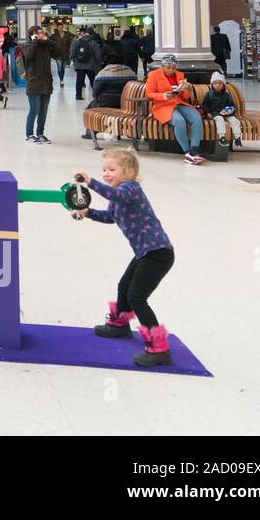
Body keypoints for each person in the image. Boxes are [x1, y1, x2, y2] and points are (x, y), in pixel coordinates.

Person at [70, 148, 175, 367]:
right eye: (104, 169)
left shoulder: (130, 188)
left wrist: (90, 182)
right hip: (145, 252)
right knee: (124, 286)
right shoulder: (118, 194)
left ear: (127, 172)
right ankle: (119, 325)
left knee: (137, 297)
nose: (106, 173)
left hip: (158, 253)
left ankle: (159, 349)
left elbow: (115, 195)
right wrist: (86, 212)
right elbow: (110, 217)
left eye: (111, 169)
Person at [144, 54, 205, 165]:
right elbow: (149, 93)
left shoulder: (180, 75)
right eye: (168, 67)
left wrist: (188, 89)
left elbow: (184, 97)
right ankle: (187, 152)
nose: (171, 70)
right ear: (162, 66)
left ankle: (194, 149)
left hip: (178, 103)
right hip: (162, 106)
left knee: (196, 118)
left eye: (173, 67)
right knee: (179, 121)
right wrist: (163, 96)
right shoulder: (153, 75)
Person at [20, 25, 63, 143]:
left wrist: (48, 41)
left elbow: (59, 53)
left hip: (46, 83)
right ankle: (29, 134)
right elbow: (28, 56)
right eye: (38, 33)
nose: (40, 35)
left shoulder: (46, 46)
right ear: (32, 35)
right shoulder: (28, 45)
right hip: (34, 83)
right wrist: (34, 42)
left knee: (43, 111)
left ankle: (40, 133)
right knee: (34, 109)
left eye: (41, 33)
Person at [83, 60, 138, 139]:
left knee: (90, 107)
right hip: (125, 105)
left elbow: (95, 93)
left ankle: (90, 132)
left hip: (105, 103)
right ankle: (128, 130)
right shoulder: (131, 73)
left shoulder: (103, 73)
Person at [200, 71, 242, 150]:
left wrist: (231, 109)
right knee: (220, 120)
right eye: (215, 83)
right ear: (212, 84)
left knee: (234, 120)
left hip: (227, 113)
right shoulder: (209, 94)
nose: (217, 85)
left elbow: (232, 105)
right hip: (215, 113)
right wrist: (208, 112)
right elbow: (205, 105)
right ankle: (222, 137)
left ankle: (237, 137)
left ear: (223, 85)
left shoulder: (226, 95)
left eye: (220, 83)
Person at [70, 27, 102, 101]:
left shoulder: (77, 41)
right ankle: (96, 95)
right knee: (92, 80)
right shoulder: (93, 42)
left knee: (79, 80)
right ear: (92, 33)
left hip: (79, 64)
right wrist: (98, 64)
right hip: (90, 65)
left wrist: (74, 61)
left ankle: (78, 95)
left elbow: (73, 52)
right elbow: (98, 55)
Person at [52, 23, 73, 88]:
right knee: (59, 69)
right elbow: (50, 42)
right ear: (57, 28)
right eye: (59, 27)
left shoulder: (67, 35)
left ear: (62, 28)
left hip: (65, 54)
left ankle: (62, 79)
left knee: (63, 69)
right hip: (57, 54)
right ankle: (61, 80)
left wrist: (68, 31)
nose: (60, 28)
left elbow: (72, 38)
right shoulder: (54, 35)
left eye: (61, 27)